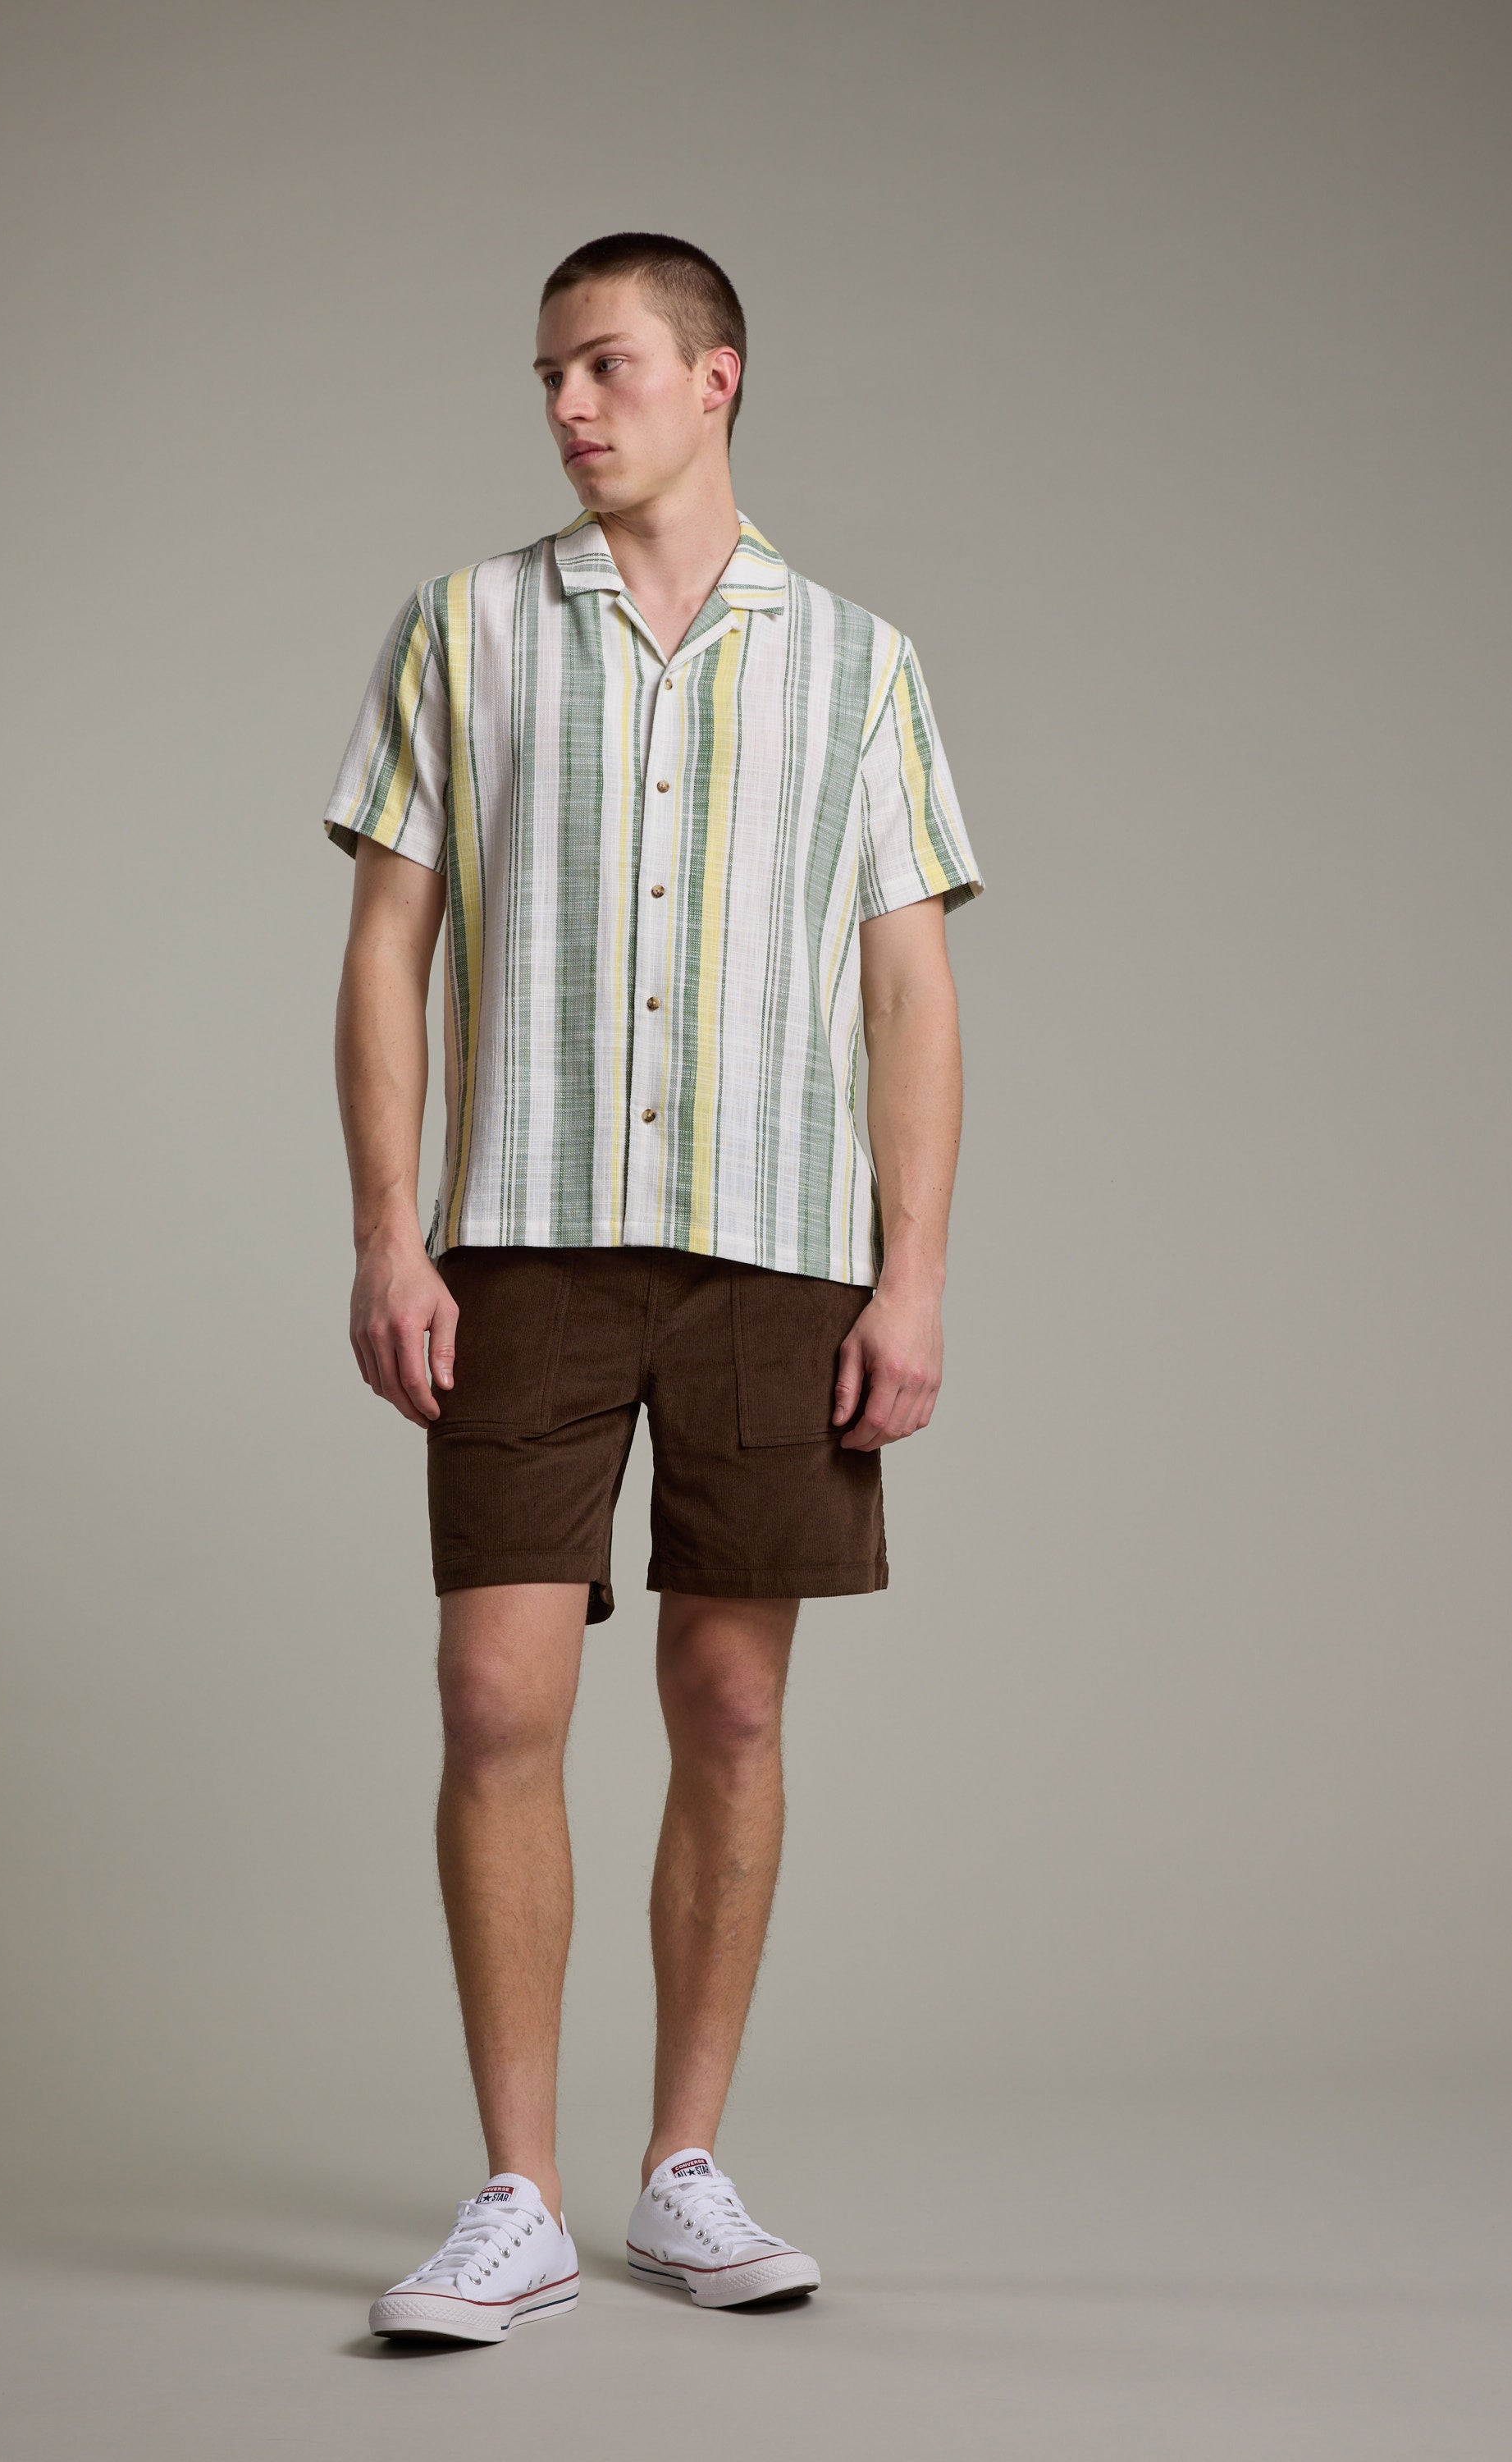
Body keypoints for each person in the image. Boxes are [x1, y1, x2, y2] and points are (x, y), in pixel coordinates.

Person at [320, 231, 984, 2344]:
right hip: (519, 1238)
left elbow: (908, 991)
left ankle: (682, 2172)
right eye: (544, 374)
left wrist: (910, 1276)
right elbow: (385, 950)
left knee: (731, 1699)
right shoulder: (461, 628)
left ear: (716, 377)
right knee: (493, 1695)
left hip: (776, 1252)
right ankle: (512, 2197)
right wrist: (386, 1230)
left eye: (601, 364)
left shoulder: (858, 661)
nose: (564, 406)